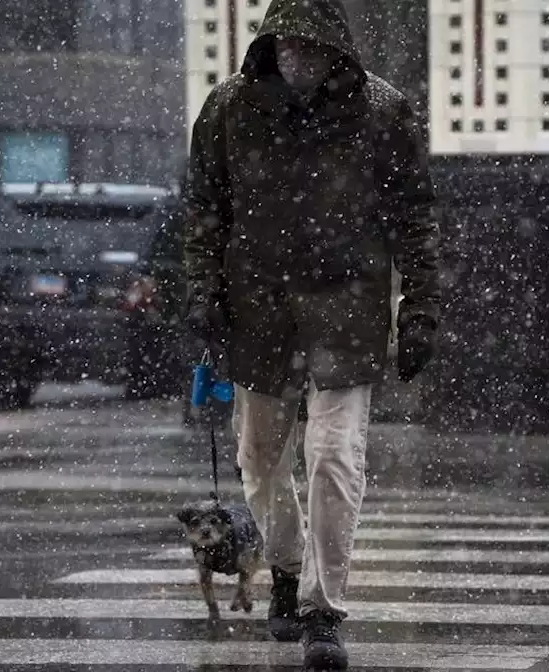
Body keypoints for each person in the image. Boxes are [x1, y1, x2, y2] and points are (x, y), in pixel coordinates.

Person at [182, 0, 442, 668]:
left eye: (312, 47)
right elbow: (206, 207)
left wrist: (419, 308)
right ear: (271, 46)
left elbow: (416, 218)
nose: (300, 57)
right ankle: (287, 567)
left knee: (334, 454)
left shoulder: (382, 112)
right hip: (258, 308)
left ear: (335, 52)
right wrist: (203, 289)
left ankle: (323, 607)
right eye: (289, 45)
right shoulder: (228, 110)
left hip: (345, 307)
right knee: (259, 455)